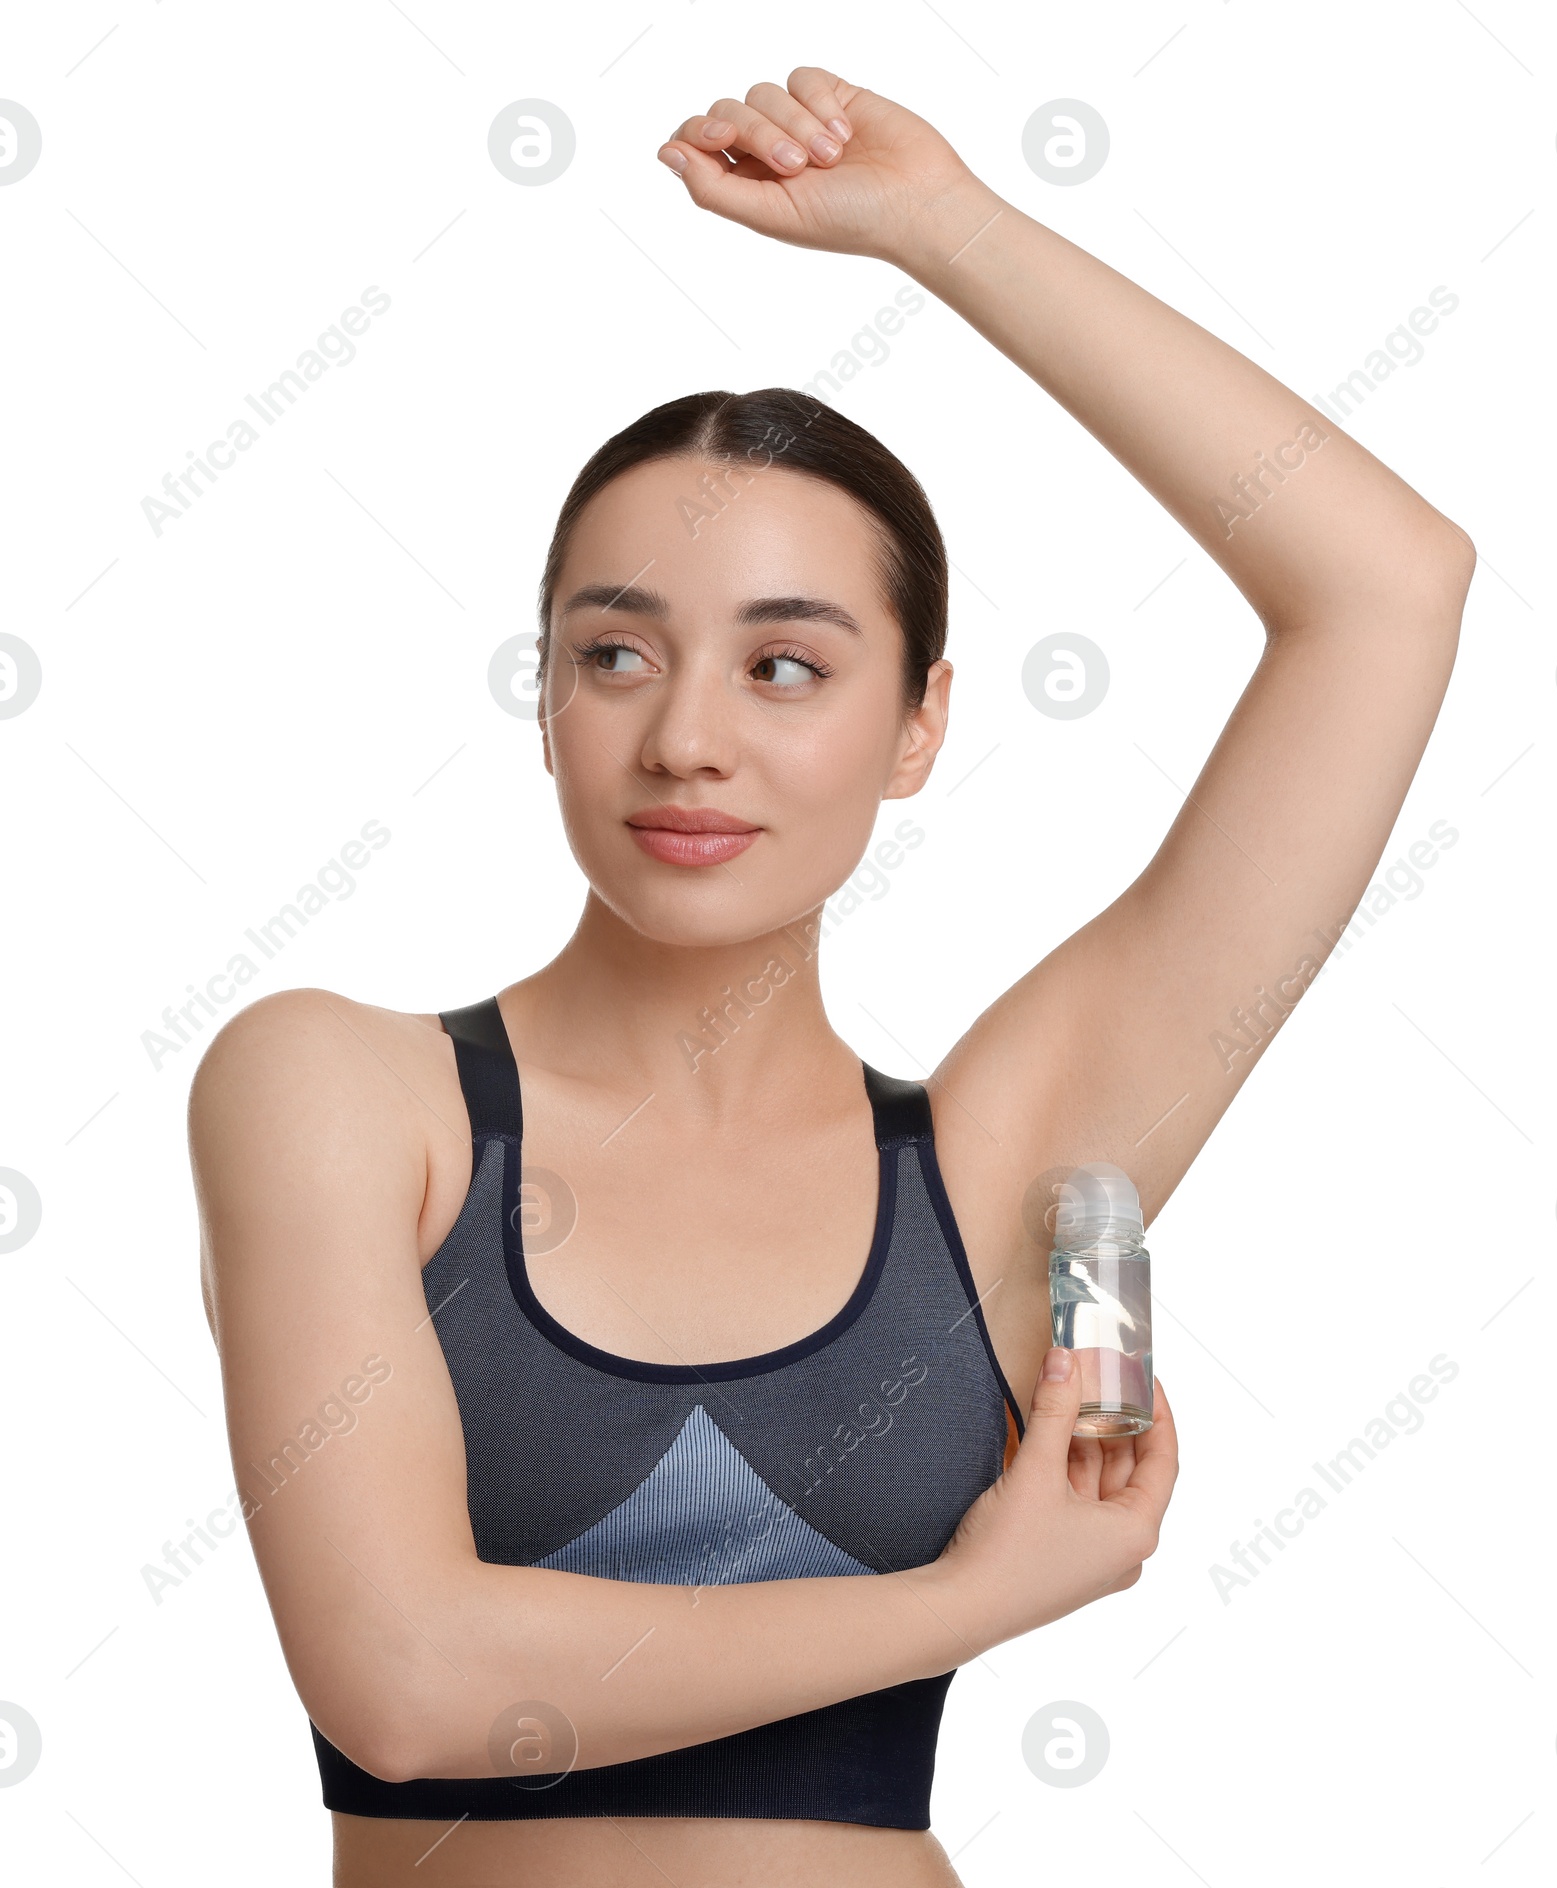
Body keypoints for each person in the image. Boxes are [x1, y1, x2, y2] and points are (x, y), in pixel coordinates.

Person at [190, 66, 1472, 1888]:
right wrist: (973, 1600)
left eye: (787, 666)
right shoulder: (339, 1093)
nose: (689, 738)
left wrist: (945, 230)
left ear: (919, 723)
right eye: (617, 653)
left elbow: (1390, 587)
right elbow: (405, 1683)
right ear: (546, 701)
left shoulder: (1000, 1164)